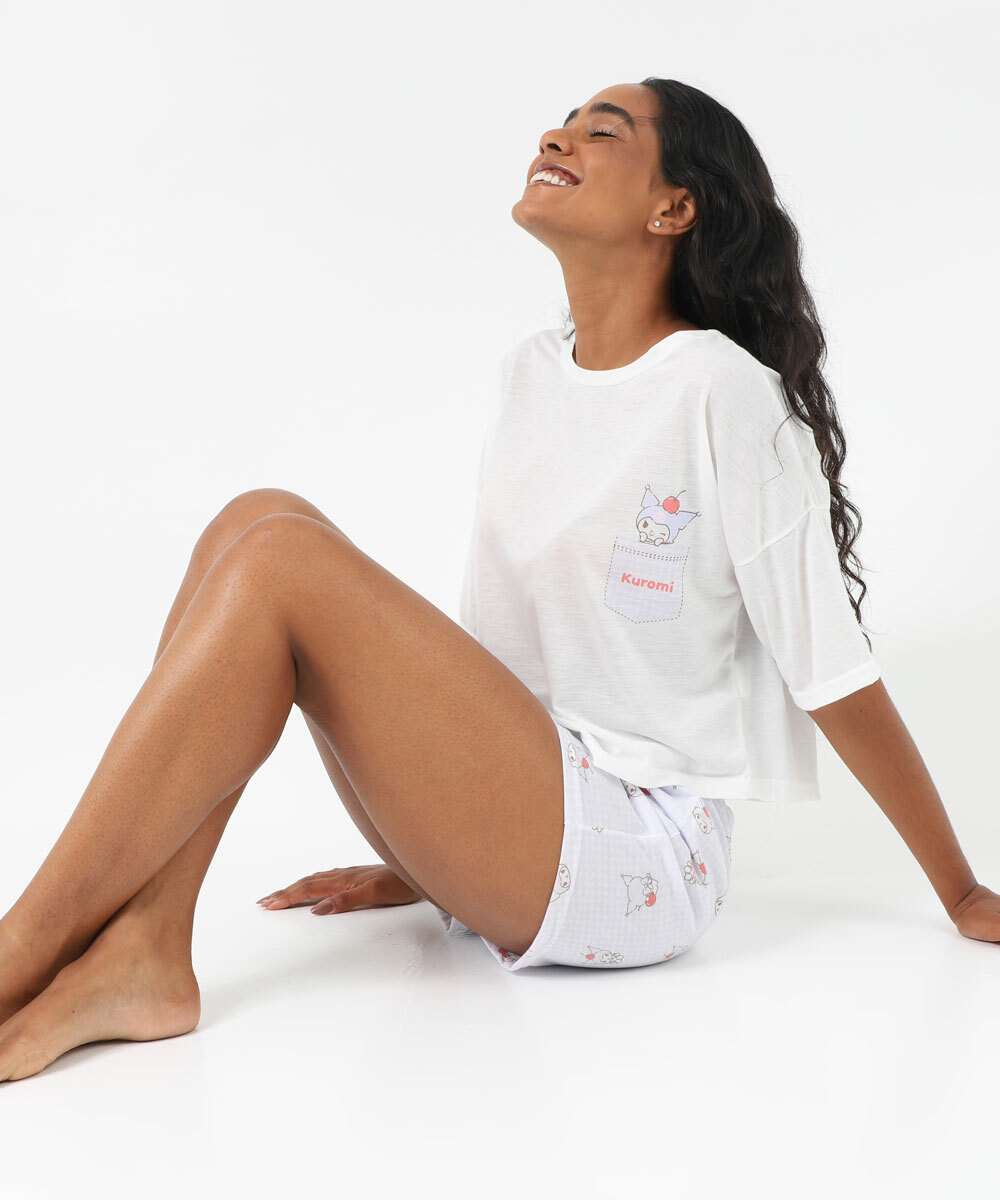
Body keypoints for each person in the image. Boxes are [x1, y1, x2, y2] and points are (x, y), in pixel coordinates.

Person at [1, 78, 996, 1083]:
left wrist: (958, 891)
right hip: (533, 810)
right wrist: (438, 847)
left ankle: (22, 948)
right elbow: (514, 663)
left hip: (639, 852)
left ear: (673, 208)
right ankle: (146, 946)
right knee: (254, 518)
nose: (557, 137)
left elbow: (832, 672)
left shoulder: (724, 394)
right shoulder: (531, 372)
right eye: (562, 122)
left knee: (278, 561)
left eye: (602, 131)